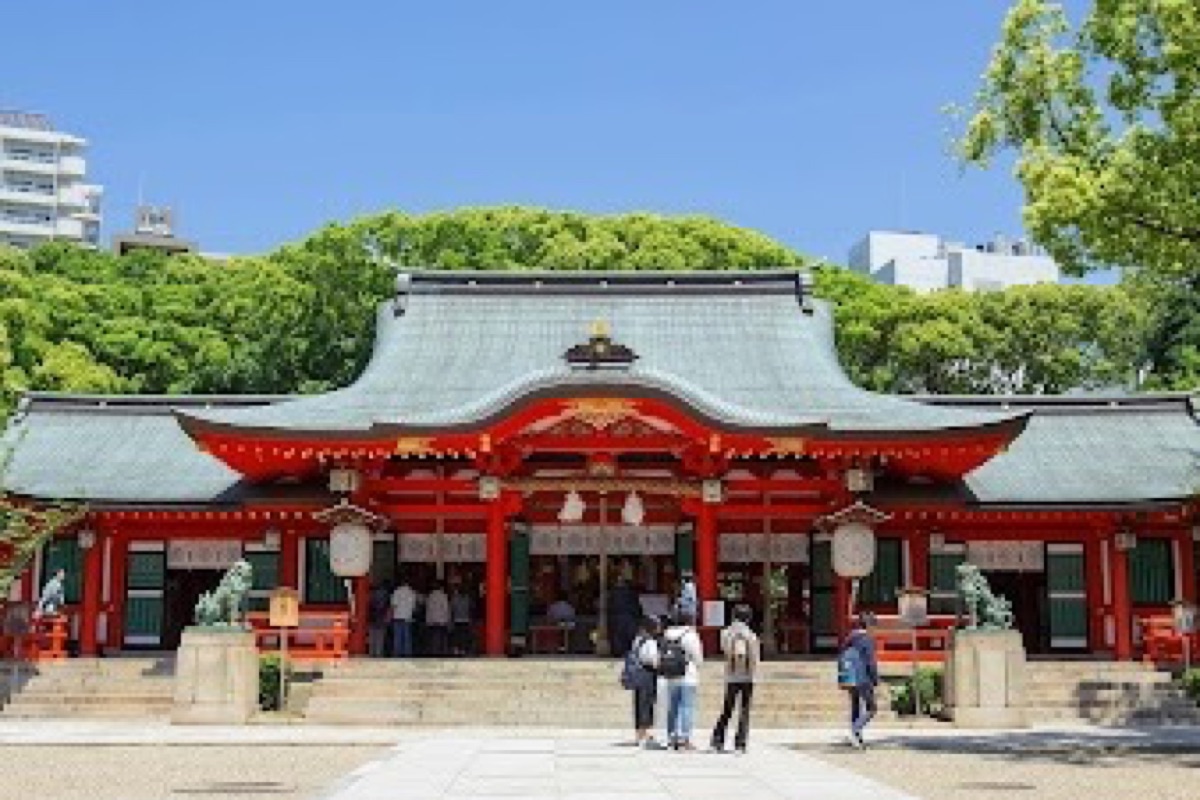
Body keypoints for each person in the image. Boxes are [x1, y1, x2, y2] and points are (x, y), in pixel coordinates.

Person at [709, 604, 760, 754]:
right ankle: (740, 743)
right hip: (747, 676)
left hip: (731, 675)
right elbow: (755, 657)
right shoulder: (751, 635)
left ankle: (717, 741)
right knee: (744, 710)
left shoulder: (725, 633)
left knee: (727, 709)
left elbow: (724, 650)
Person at [661, 608, 704, 751]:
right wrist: (698, 666)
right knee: (687, 707)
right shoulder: (691, 635)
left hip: (671, 675)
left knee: (672, 707)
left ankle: (671, 737)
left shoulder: (667, 633)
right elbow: (697, 656)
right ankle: (684, 738)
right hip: (688, 675)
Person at [842, 612, 880, 749]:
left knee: (855, 706)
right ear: (869, 625)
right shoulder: (866, 639)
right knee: (872, 708)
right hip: (863, 677)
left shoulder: (849, 638)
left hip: (849, 676)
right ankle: (855, 730)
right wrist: (875, 679)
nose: (875, 630)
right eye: (874, 626)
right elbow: (871, 662)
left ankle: (856, 738)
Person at [624, 616, 662, 748]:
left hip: (637, 675)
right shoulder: (650, 641)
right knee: (647, 704)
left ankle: (639, 733)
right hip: (647, 674)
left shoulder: (638, 639)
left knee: (639, 704)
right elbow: (652, 659)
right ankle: (645, 733)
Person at [609, 577, 640, 657]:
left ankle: (618, 652)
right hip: (629, 616)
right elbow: (637, 605)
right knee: (629, 635)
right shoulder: (631, 592)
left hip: (617, 616)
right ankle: (629, 652)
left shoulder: (612, 593)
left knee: (618, 635)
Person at [390, 579, 417, 657]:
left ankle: (397, 655)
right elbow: (414, 608)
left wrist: (389, 616)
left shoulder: (397, 591)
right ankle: (407, 656)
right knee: (407, 638)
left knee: (397, 638)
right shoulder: (412, 593)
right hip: (408, 618)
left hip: (398, 617)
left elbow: (393, 605)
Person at [425, 582, 451, 657]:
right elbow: (446, 609)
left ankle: (434, 654)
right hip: (442, 620)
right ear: (441, 587)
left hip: (433, 621)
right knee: (443, 639)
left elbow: (428, 609)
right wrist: (448, 620)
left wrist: (428, 621)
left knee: (434, 639)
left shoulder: (430, 596)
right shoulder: (444, 596)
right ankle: (443, 654)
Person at [367, 583, 392, 657]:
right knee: (380, 638)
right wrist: (388, 619)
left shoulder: (371, 597)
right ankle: (378, 653)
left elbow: (369, 608)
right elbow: (389, 609)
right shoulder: (386, 597)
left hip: (373, 619)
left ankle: (371, 653)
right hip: (382, 619)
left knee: (372, 637)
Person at [450, 586, 473, 656]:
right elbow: (470, 608)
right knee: (464, 636)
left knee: (457, 635)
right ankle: (463, 649)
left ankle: (456, 649)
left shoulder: (455, 598)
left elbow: (452, 609)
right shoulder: (468, 599)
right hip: (466, 619)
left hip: (457, 619)